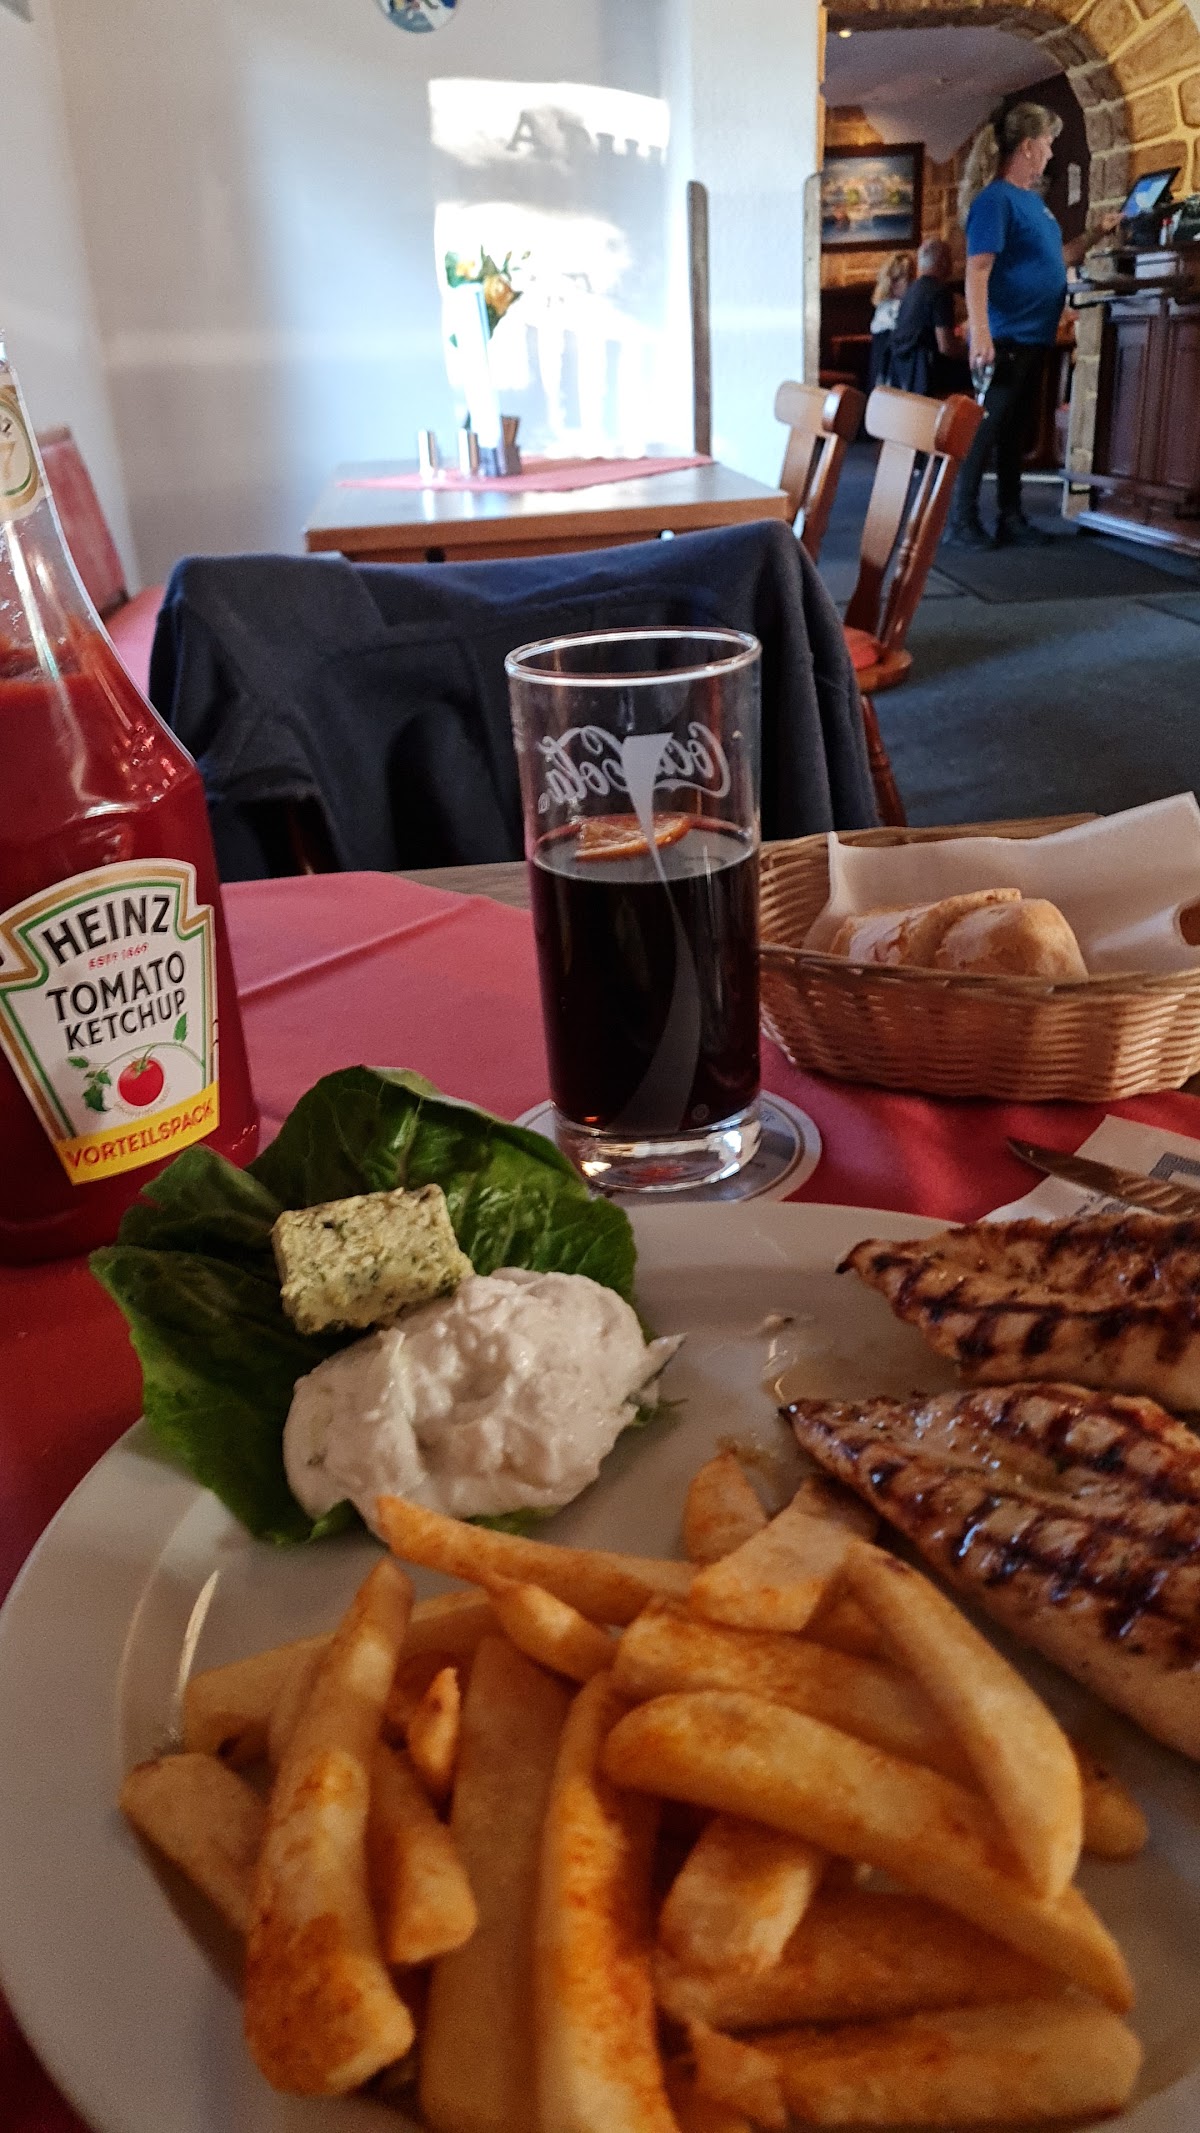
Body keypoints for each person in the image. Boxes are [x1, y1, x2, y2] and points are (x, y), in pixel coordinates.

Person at [947, 100, 1096, 550]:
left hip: (1034, 335)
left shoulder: (1034, 205)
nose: (1051, 152)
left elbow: (1056, 259)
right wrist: (981, 333)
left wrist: (1097, 234)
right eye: (1048, 143)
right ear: (1028, 146)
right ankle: (960, 521)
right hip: (1005, 334)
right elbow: (978, 270)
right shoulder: (995, 200)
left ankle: (1010, 516)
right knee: (986, 428)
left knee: (1013, 431)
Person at [886, 239, 966, 397]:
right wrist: (969, 351)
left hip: (906, 380)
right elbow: (946, 347)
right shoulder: (940, 292)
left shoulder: (911, 291)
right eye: (950, 258)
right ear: (943, 261)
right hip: (931, 381)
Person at [867, 252, 914, 391]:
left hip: (879, 383)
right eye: (909, 277)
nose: (913, 282)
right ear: (892, 282)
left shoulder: (882, 308)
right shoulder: (896, 310)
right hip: (892, 383)